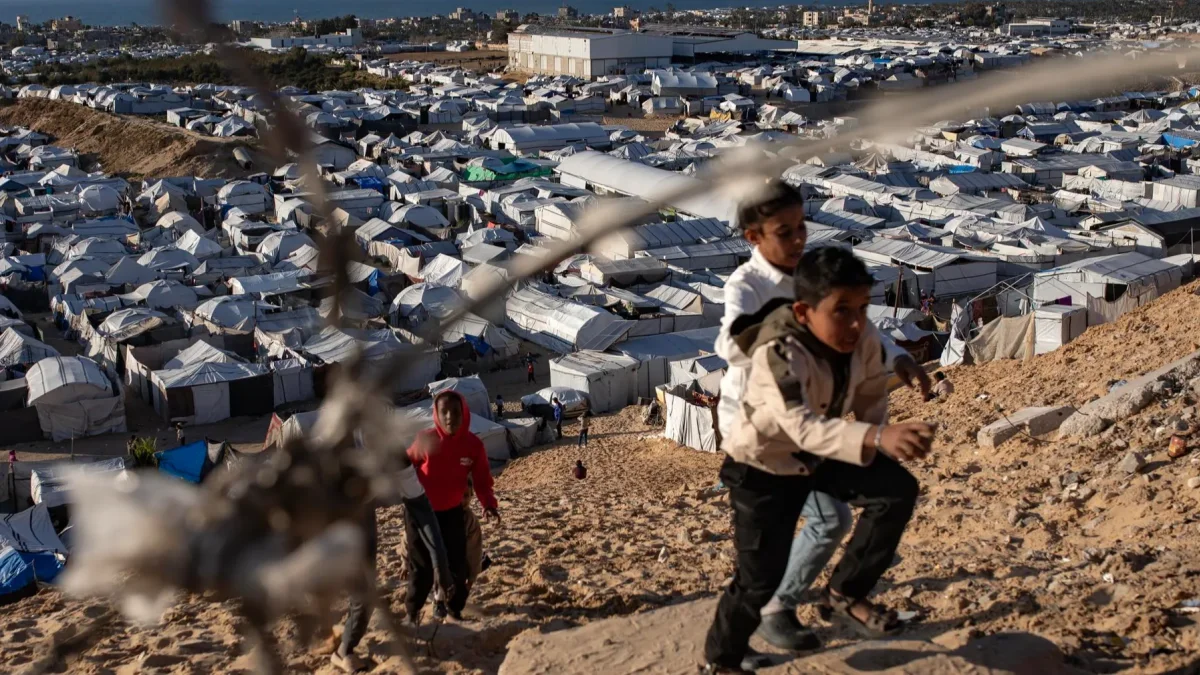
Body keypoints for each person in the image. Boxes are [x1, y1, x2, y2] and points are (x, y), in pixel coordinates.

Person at [713, 182, 930, 653]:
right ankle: (772, 611)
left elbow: (860, 329)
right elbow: (731, 347)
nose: (797, 241)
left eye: (801, 229)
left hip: (819, 422)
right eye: (784, 232)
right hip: (765, 427)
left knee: (888, 493)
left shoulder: (811, 273)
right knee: (823, 521)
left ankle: (833, 596)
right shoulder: (747, 285)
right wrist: (786, 323)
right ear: (755, 237)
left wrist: (897, 360)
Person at [405, 391, 499, 622]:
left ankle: (454, 609)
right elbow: (405, 465)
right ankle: (412, 613)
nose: (450, 417)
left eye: (455, 411)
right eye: (443, 412)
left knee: (457, 565)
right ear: (435, 414)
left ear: (464, 413)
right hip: (420, 512)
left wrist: (488, 504)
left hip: (452, 512)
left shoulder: (472, 445)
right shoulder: (425, 440)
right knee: (422, 567)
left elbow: (482, 480)